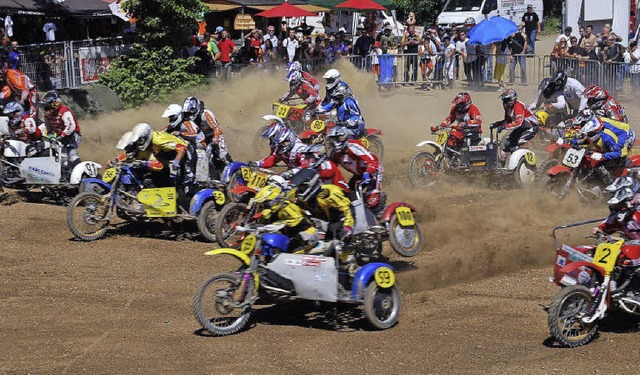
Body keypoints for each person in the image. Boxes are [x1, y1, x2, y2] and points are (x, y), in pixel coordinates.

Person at [327, 126, 385, 217]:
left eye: (337, 139)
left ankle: (382, 216)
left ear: (343, 138)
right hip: (358, 175)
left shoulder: (353, 146)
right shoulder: (334, 154)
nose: (335, 143)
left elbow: (373, 161)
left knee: (372, 201)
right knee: (349, 198)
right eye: (332, 140)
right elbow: (332, 170)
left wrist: (368, 173)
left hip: (373, 171)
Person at [114, 123, 188, 190]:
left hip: (169, 166)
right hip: (164, 163)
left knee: (148, 181)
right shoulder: (139, 149)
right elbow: (125, 156)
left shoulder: (156, 142)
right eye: (126, 148)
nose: (127, 149)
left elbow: (160, 165)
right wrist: (115, 162)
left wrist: (144, 163)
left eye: (129, 147)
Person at [288, 168, 354, 242]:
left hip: (339, 218)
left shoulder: (329, 193)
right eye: (299, 188)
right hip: (319, 216)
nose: (299, 191)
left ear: (312, 184)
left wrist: (347, 227)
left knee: (332, 236)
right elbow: (287, 198)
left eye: (302, 188)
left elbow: (347, 209)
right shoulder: (297, 194)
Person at [252, 183, 319, 253]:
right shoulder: (274, 211)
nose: (264, 206)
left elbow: (297, 220)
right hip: (292, 235)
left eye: (265, 203)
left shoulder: (288, 208)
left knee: (289, 249)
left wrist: (280, 224)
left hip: (307, 235)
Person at [181, 97, 231, 179]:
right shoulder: (188, 118)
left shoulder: (206, 114)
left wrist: (215, 139)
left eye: (191, 111)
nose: (190, 114)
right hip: (202, 139)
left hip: (214, 136)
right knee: (206, 159)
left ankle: (234, 172)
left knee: (223, 156)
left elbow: (217, 128)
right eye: (188, 112)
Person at [570, 117, 626, 185]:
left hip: (618, 157)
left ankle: (610, 186)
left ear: (595, 132)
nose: (587, 135)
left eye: (589, 134)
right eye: (587, 133)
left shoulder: (607, 139)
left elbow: (618, 153)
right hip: (606, 152)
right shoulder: (594, 137)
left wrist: (603, 156)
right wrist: (570, 142)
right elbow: (582, 141)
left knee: (598, 166)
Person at [490, 89, 539, 160]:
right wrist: (497, 124)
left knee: (519, 143)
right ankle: (502, 164)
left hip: (531, 127)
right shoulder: (508, 108)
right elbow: (508, 121)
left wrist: (504, 127)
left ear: (512, 99)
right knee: (506, 144)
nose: (504, 102)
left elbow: (518, 123)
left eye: (506, 100)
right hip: (521, 128)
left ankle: (527, 160)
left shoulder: (519, 106)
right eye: (504, 100)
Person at [42, 92, 82, 171]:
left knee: (71, 153)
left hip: (72, 135)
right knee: (62, 156)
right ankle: (66, 173)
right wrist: (50, 135)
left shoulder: (64, 111)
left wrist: (62, 135)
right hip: (60, 136)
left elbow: (71, 126)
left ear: (55, 103)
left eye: (49, 105)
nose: (47, 108)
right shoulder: (47, 115)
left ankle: (80, 171)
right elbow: (48, 126)